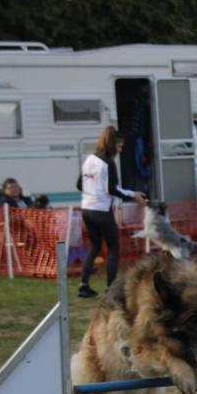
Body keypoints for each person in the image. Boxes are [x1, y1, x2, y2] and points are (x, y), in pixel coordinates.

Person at [77, 126, 146, 298]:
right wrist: (134, 195)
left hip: (87, 209)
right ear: (111, 144)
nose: (120, 150)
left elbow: (79, 184)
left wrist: (93, 192)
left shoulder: (89, 159)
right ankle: (110, 289)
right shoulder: (108, 163)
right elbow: (112, 189)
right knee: (113, 248)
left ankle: (83, 285)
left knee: (94, 247)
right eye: (119, 146)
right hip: (101, 211)